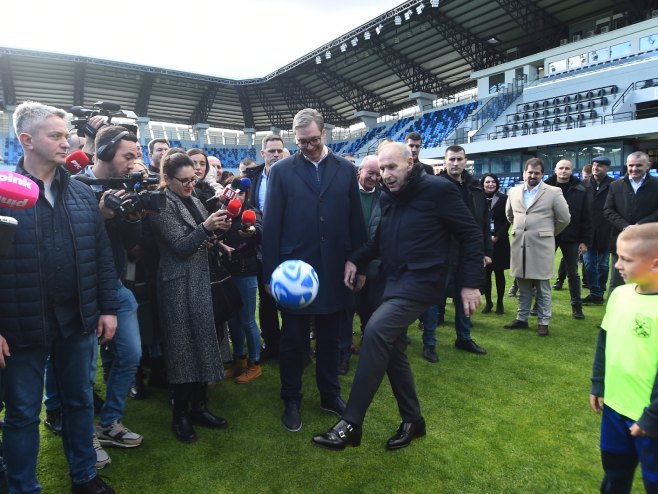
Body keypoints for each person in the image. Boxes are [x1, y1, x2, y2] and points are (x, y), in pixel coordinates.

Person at [311, 142, 483, 451]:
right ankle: (413, 421)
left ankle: (351, 422)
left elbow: (470, 234)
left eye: (392, 167)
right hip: (393, 280)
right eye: (382, 169)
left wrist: (470, 283)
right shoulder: (389, 197)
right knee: (393, 350)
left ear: (410, 162)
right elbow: (380, 239)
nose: (385, 175)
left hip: (423, 281)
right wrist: (356, 259)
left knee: (376, 331)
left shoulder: (439, 190)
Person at [0, 101, 118, 494]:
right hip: (20, 324)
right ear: (26, 140)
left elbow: (101, 257)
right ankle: (22, 487)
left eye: (66, 135)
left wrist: (107, 308)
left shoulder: (81, 193)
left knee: (80, 402)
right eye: (56, 135)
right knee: (21, 414)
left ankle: (84, 476)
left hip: (77, 319)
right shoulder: (2, 195)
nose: (65, 142)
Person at [262, 108, 367, 433]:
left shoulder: (346, 170)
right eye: (301, 141)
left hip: (335, 269)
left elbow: (355, 221)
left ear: (325, 134)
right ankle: (291, 399)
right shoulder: (281, 171)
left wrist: (359, 261)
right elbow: (272, 226)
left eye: (312, 140)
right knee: (293, 341)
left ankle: (329, 394)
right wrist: (270, 274)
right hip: (296, 275)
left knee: (330, 338)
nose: (306, 146)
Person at [150, 152, 231, 443]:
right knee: (182, 351)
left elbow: (200, 239)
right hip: (177, 285)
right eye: (183, 181)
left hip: (201, 281)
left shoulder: (195, 199)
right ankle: (180, 415)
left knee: (203, 343)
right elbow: (181, 246)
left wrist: (218, 234)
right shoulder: (160, 204)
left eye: (193, 179)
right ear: (167, 179)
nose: (189, 185)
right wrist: (207, 227)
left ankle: (199, 407)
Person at [85, 126, 145, 457]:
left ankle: (108, 422)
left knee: (131, 355)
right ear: (106, 153)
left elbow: (131, 243)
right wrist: (100, 213)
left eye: (136, 156)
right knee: (80, 369)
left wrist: (133, 216)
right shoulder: (76, 184)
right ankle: (81, 434)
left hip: (117, 288)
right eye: (128, 156)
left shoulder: (124, 187)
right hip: (81, 292)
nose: (134, 163)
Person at [589, 223, 658, 494]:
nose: (617, 264)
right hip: (615, 410)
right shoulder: (619, 294)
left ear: (655, 264)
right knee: (615, 474)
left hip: (649, 419)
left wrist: (652, 417)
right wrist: (598, 382)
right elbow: (605, 340)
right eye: (617, 256)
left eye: (626, 259)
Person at [422, 145, 491, 360]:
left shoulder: (476, 188)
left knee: (466, 297)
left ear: (465, 161)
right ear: (444, 162)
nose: (455, 163)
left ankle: (464, 337)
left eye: (459, 159)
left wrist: (486, 251)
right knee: (433, 299)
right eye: (451, 159)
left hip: (469, 254)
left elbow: (482, 223)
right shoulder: (435, 186)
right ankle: (429, 342)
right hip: (441, 252)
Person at [504, 158, 570, 337]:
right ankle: (522, 319)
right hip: (519, 245)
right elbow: (510, 215)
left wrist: (547, 232)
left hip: (542, 246)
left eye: (537, 173)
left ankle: (544, 322)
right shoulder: (514, 191)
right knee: (522, 284)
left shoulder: (554, 192)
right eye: (530, 172)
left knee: (543, 286)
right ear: (524, 173)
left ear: (542, 174)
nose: (532, 176)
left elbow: (564, 219)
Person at [245, 134, 285, 361]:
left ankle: (292, 346)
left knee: (289, 298)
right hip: (261, 247)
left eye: (279, 150)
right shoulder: (253, 177)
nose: (276, 154)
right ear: (263, 153)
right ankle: (272, 344)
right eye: (272, 151)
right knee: (266, 299)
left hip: (288, 247)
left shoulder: (292, 174)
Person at [341, 155, 382, 374]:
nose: (374, 178)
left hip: (374, 268)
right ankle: (343, 355)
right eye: (370, 173)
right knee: (346, 315)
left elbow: (380, 237)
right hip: (348, 266)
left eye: (378, 174)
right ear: (360, 171)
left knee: (372, 314)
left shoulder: (384, 198)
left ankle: (370, 355)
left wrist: (366, 266)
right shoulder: (346, 195)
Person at [222, 185, 263, 383]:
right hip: (227, 273)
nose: (236, 197)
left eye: (240, 193)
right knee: (233, 320)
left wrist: (252, 230)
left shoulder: (252, 212)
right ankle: (240, 359)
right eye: (233, 192)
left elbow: (260, 231)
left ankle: (255, 364)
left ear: (246, 195)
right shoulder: (222, 212)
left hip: (246, 272)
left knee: (247, 320)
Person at [603, 151, 658, 295]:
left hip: (650, 243)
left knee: (648, 280)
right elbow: (608, 210)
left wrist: (639, 226)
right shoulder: (615, 185)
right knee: (617, 282)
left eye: (639, 165)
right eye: (631, 165)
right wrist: (626, 226)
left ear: (648, 166)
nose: (634, 169)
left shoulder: (656, 185)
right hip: (621, 241)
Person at [544, 159, 592, 320]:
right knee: (542, 272)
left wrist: (585, 241)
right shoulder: (544, 188)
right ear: (555, 170)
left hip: (572, 237)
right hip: (549, 235)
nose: (564, 171)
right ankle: (538, 305)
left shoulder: (581, 189)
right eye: (561, 168)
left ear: (572, 170)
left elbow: (587, 217)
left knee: (573, 273)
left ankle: (576, 307)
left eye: (567, 168)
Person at [582, 156, 614, 305]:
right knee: (588, 263)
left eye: (600, 165)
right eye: (594, 165)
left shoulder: (614, 185)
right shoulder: (584, 184)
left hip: (606, 231)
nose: (595, 167)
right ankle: (595, 292)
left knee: (603, 265)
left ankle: (599, 293)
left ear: (607, 168)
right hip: (588, 232)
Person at [481, 173, 510, 314]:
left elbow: (508, 219)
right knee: (486, 275)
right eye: (487, 182)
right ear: (483, 183)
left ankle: (499, 303)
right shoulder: (478, 198)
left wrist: (497, 236)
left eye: (493, 182)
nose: (490, 184)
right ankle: (488, 303)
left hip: (500, 242)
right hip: (484, 243)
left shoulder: (504, 198)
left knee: (499, 274)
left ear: (497, 184)